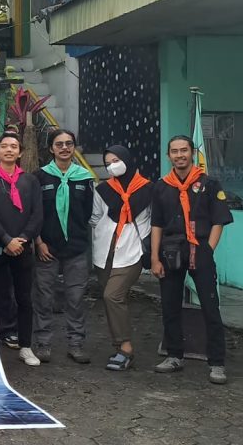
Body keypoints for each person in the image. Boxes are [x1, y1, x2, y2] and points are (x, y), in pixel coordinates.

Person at [151, 135, 233, 384]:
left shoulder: (209, 183)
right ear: (168, 156)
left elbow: (219, 221)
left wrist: (208, 249)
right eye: (174, 151)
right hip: (171, 251)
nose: (179, 155)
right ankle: (175, 355)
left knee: (210, 306)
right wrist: (155, 257)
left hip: (201, 249)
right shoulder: (162, 186)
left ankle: (217, 363)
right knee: (170, 305)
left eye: (184, 150)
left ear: (192, 153)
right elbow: (156, 224)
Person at [0, 132, 43, 366]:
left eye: (14, 146)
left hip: (23, 248)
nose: (9, 150)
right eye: (4, 146)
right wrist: (6, 240)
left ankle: (26, 346)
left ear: (20, 152)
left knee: (25, 298)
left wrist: (22, 239)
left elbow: (37, 215)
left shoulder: (30, 181)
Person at [32, 129, 95, 365]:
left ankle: (76, 344)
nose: (65, 148)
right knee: (43, 297)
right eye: (59, 144)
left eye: (69, 143)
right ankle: (43, 344)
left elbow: (89, 213)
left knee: (76, 298)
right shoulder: (39, 177)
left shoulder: (85, 177)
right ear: (51, 149)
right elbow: (35, 213)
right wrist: (38, 242)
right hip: (46, 248)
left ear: (74, 147)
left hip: (77, 248)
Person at [91, 144, 152, 372]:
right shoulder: (103, 190)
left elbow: (155, 221)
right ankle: (118, 347)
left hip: (132, 251)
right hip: (105, 252)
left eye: (116, 160)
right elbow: (95, 217)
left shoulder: (148, 189)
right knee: (112, 300)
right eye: (108, 163)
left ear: (127, 159)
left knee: (112, 295)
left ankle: (125, 348)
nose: (112, 166)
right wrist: (103, 232)